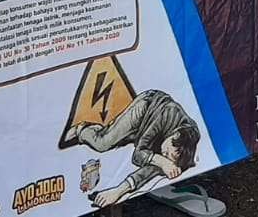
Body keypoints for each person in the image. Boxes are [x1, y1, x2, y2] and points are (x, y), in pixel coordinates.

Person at [62, 90, 202, 209]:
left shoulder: (183, 150)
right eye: (166, 152)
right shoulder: (168, 113)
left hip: (150, 133)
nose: (164, 154)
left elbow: (150, 169)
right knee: (103, 143)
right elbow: (138, 154)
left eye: (168, 157)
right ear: (175, 135)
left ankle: (113, 132)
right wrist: (161, 161)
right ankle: (83, 129)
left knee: (126, 142)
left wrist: (117, 192)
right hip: (146, 108)